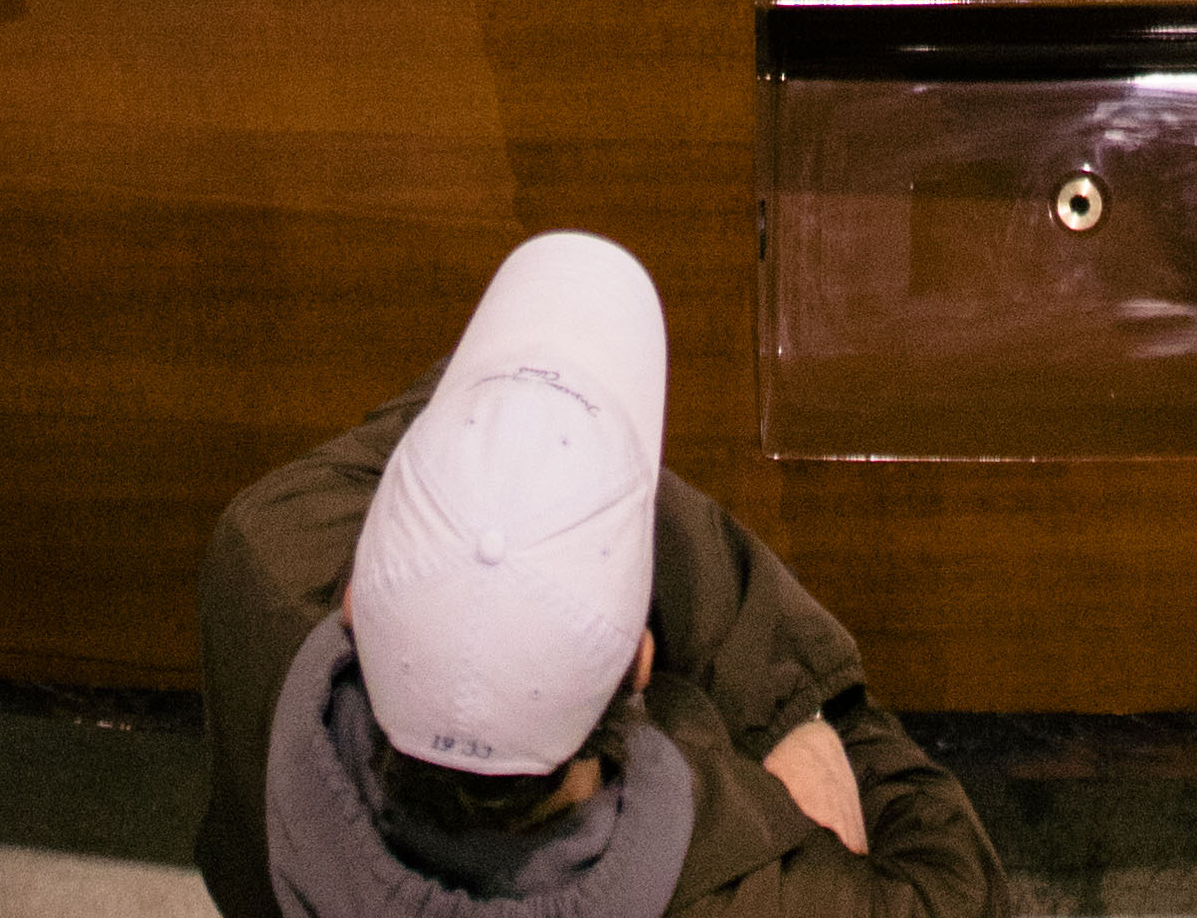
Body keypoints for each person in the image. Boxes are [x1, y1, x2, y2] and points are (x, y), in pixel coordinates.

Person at [201, 227, 1005, 918]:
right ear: (641, 665)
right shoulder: (754, 895)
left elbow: (427, 424)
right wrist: (812, 716)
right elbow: (959, 886)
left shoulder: (264, 555)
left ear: (350, 601)